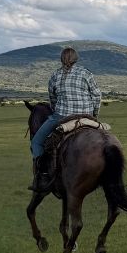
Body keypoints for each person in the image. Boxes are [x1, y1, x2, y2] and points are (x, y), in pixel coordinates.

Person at [31, 46, 102, 192]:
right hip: (86, 116)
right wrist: (94, 115)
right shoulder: (86, 73)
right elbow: (97, 96)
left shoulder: (55, 76)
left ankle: (43, 174)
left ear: (61, 59)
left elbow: (53, 99)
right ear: (76, 59)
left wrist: (58, 109)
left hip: (62, 115)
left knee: (36, 142)